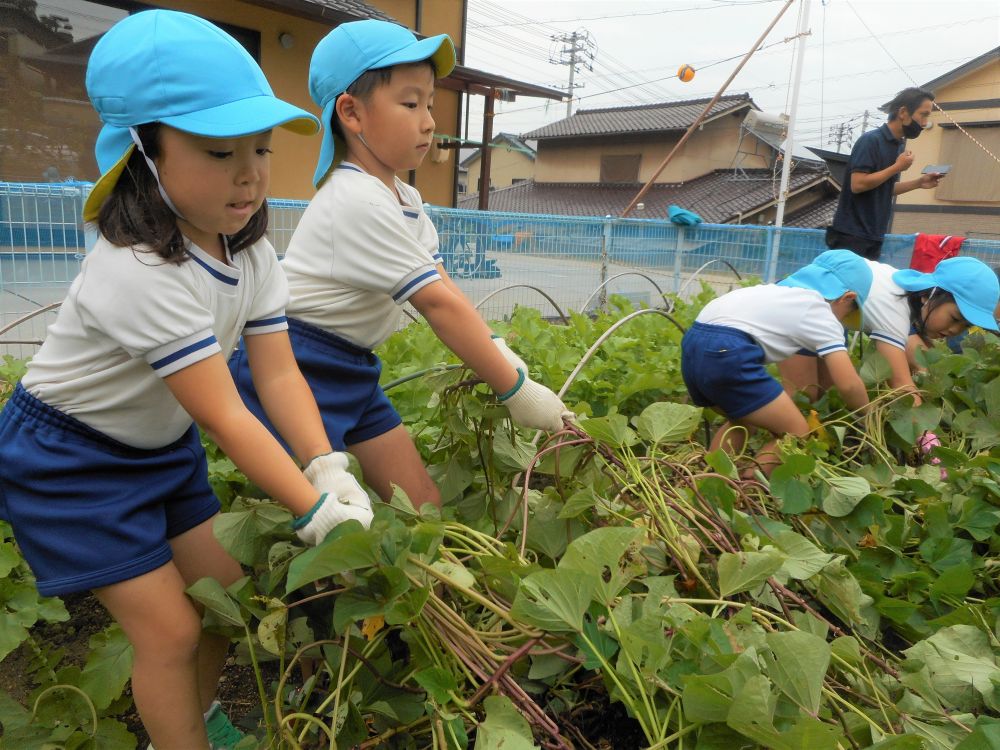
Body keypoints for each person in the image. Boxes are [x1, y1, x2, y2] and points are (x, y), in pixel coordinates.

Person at [0, 11, 373, 749]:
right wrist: (312, 511)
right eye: (218, 150)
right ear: (142, 151)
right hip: (71, 460)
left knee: (223, 597)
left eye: (261, 148)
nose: (250, 173)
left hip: (157, 449)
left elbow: (278, 372)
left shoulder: (251, 255)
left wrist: (325, 463)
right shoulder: (137, 269)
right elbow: (226, 415)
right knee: (169, 630)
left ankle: (194, 724)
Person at [230, 20, 571, 509]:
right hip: (297, 365)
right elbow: (434, 304)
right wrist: (516, 389)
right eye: (410, 104)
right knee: (325, 520)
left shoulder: (405, 197)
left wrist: (498, 350)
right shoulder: (354, 199)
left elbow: (444, 286)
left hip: (351, 366)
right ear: (351, 112)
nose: (429, 120)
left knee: (419, 502)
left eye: (430, 104)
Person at [680, 250, 873, 476]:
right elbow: (848, 385)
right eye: (850, 313)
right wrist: (869, 417)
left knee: (741, 422)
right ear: (847, 298)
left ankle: (708, 483)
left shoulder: (777, 292)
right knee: (796, 433)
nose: (843, 321)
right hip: (728, 352)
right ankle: (748, 489)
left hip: (693, 346)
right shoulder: (820, 311)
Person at [779, 256, 999, 408]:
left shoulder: (908, 291)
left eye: (964, 326)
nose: (954, 330)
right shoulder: (894, 309)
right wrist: (926, 436)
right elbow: (900, 384)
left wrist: (926, 373)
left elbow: (913, 347)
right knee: (803, 399)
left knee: (826, 393)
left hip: (828, 319)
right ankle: (758, 462)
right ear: (932, 294)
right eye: (954, 318)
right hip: (798, 311)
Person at [826, 87, 945, 261]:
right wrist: (896, 167)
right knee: (845, 288)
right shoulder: (871, 140)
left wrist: (919, 182)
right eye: (923, 114)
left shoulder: (897, 145)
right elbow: (858, 185)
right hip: (850, 234)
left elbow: (885, 187)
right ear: (903, 112)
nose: (925, 122)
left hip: (874, 234)